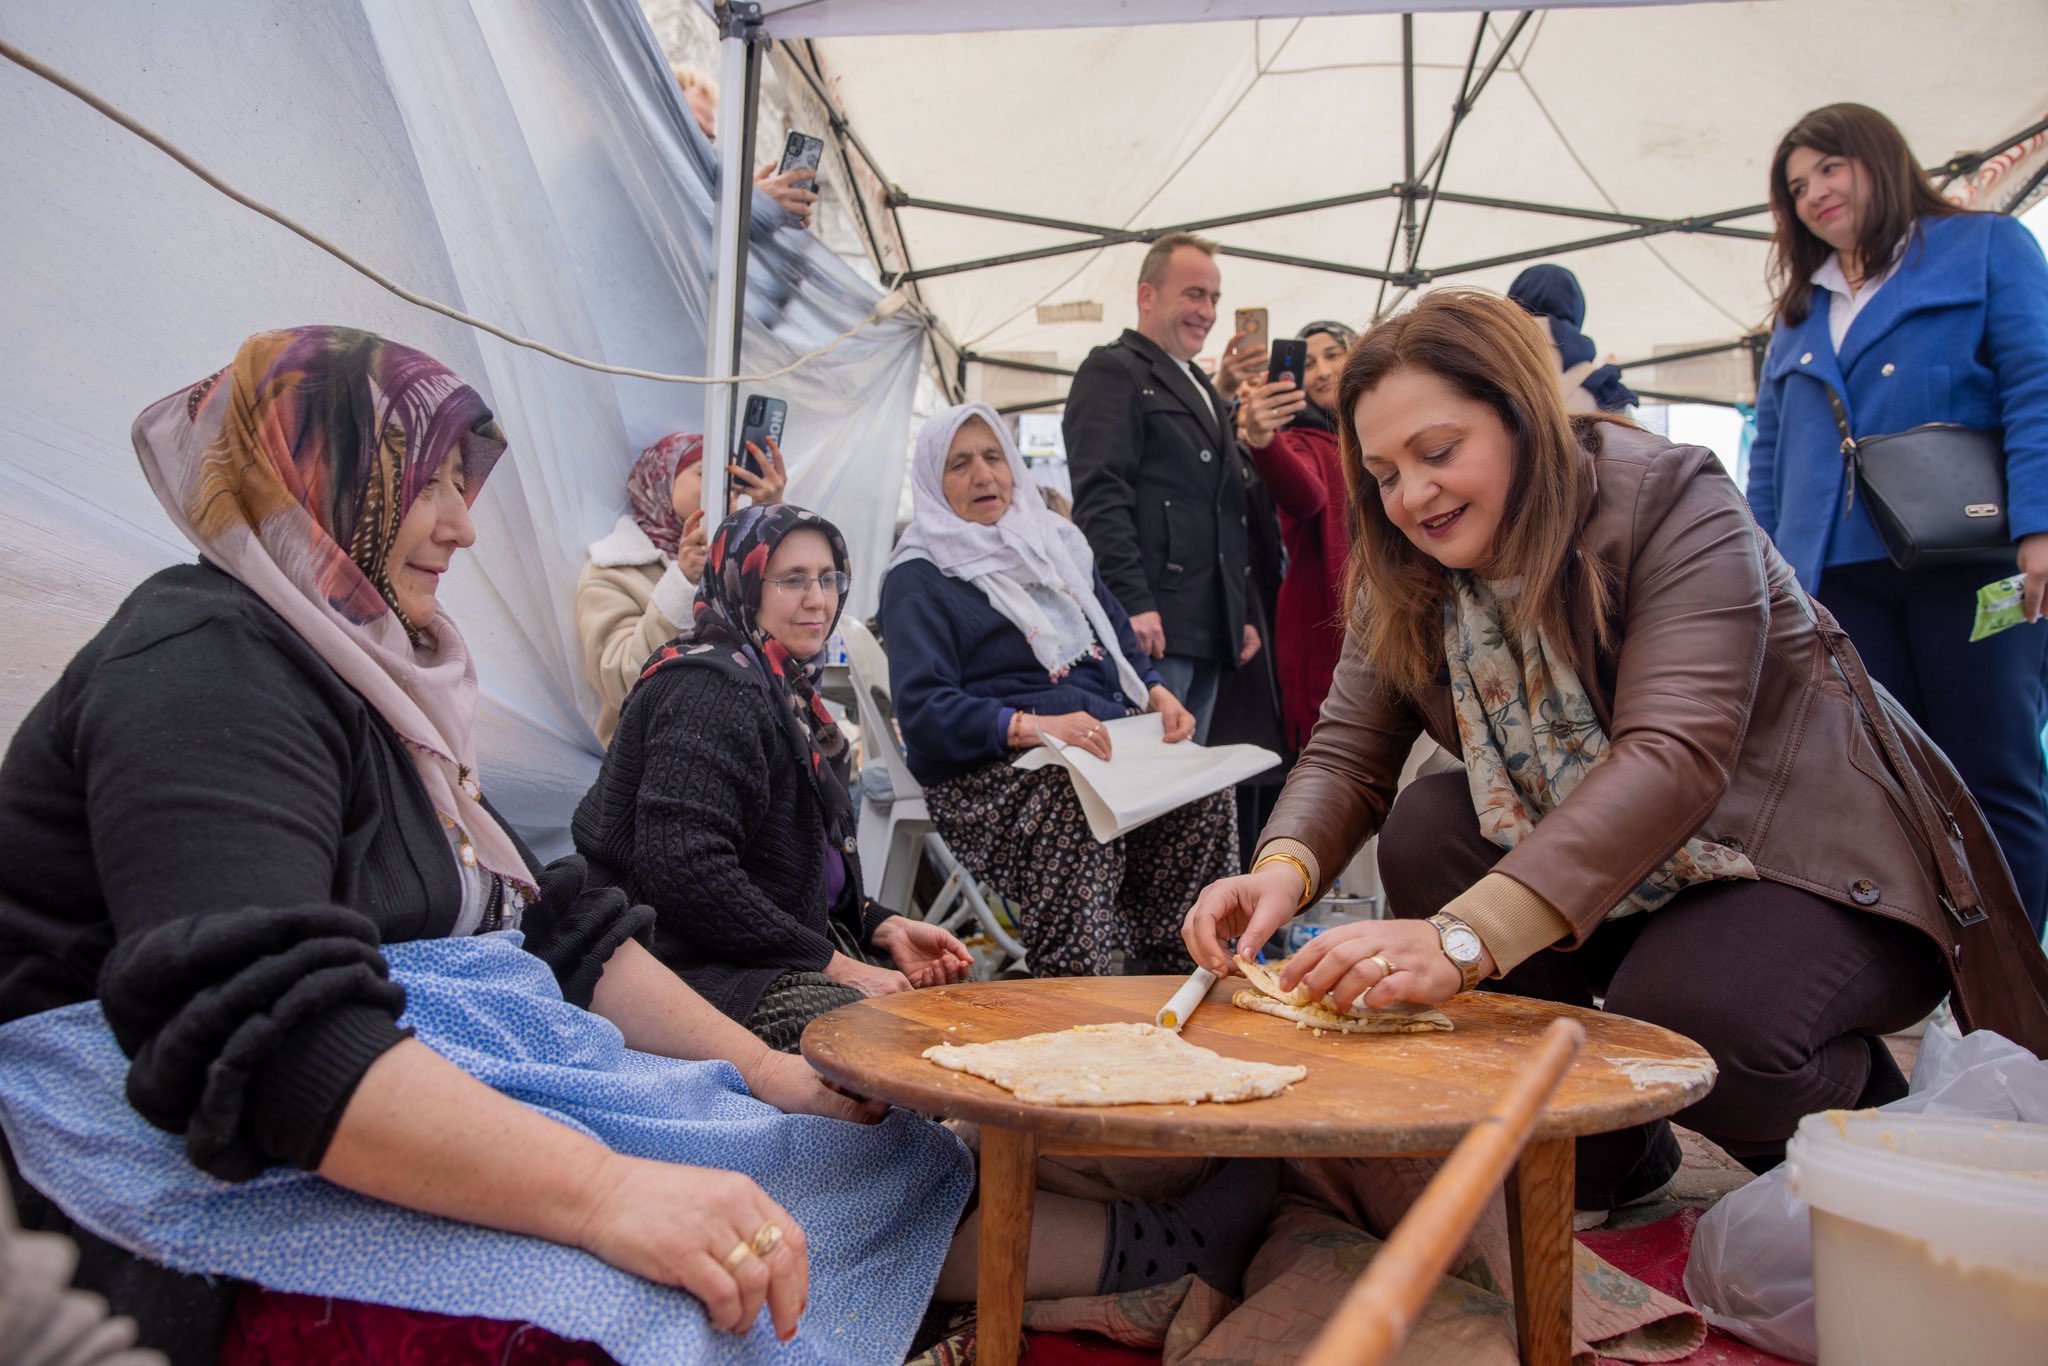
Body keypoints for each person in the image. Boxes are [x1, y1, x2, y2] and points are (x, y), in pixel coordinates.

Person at [0, 327, 980, 1363]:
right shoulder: (206, 660)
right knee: (654, 1294)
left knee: (863, 1158)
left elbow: (558, 924)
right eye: (430, 483)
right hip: (173, 1134)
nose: (465, 528)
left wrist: (764, 1077)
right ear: (318, 476)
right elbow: (269, 1032)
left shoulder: (377, 685)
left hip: (427, 1059)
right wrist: (608, 1192)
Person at [1182, 290, 2048, 1227]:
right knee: (1432, 826)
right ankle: (1599, 1157)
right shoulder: (1405, 563)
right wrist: (1279, 870)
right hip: (1625, 871)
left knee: (1686, 1014)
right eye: (1384, 474)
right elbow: (1350, 751)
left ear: (1520, 414)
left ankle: (1875, 1146)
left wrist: (1459, 940)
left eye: (1439, 453)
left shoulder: (1673, 494)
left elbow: (1676, 754)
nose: (1413, 496)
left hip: (1806, 863)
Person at [1746, 102, 2048, 939]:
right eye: (1797, 186)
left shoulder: (1985, 247)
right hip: (1837, 581)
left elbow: (2037, 384)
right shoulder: (1799, 313)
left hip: (1972, 557)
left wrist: (2040, 527)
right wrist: (1769, 585)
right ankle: (1932, 977)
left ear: (1880, 160)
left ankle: (2013, 1005)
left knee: (1992, 769)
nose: (1814, 194)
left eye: (1829, 168)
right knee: (1884, 783)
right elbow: (1768, 462)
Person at [573, 502, 975, 1051]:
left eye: (828, 579)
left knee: (948, 1017)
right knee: (889, 1044)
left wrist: (880, 926)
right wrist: (837, 965)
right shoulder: (711, 689)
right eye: (791, 580)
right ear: (745, 583)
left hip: (748, 948)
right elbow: (687, 872)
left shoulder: (782, 690)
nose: (818, 599)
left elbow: (788, 872)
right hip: (673, 964)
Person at [879, 403, 1238, 978]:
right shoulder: (919, 577)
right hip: (993, 771)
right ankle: (1073, 981)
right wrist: (1033, 727)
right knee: (1073, 796)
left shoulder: (1057, 544)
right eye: (959, 464)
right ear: (930, 480)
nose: (984, 476)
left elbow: (1115, 631)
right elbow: (923, 712)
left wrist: (1154, 692)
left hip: (1097, 744)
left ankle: (1182, 972)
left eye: (993, 456)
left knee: (1201, 789)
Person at [1064, 232, 1263, 741]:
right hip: (1153, 628)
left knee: (1187, 792)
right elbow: (1101, 497)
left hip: (1203, 626)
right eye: (1194, 294)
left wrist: (1234, 611)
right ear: (1146, 295)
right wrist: (1131, 601)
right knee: (1156, 792)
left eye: (1214, 298)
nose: (1208, 311)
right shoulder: (1113, 370)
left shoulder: (1199, 382)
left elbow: (1220, 510)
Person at [575, 428, 787, 745]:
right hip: (652, 760)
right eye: (705, 472)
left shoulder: (735, 563)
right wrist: (682, 583)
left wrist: (767, 521)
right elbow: (621, 681)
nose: (723, 489)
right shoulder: (613, 569)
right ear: (660, 478)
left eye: (732, 483)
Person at [1235, 320, 1359, 749]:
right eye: (1307, 363)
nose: (1323, 370)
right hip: (1322, 630)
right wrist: (1263, 438)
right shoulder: (1301, 438)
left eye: (1334, 354)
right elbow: (1307, 497)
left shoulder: (1374, 435)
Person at [672, 63, 817, 228]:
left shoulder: (709, 190)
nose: (704, 144)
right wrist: (751, 204)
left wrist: (772, 222)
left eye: (710, 138)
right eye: (695, 128)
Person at [1505, 264, 1640, 414]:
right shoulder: (1603, 388)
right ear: (1577, 306)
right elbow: (1627, 433)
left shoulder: (1485, 364)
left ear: (1512, 300)